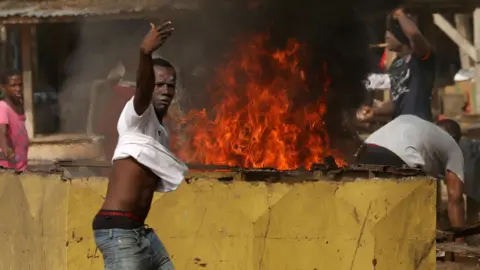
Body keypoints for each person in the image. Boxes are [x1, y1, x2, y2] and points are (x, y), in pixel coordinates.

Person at [92, 21, 188, 269]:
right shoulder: (136, 115)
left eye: (170, 84)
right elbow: (143, 88)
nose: (165, 90)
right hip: (118, 230)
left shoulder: (160, 133)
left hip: (140, 232)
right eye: (159, 84)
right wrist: (144, 53)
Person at [356, 115, 464, 232]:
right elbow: (455, 197)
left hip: (366, 150)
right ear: (455, 138)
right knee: (415, 216)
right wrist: (460, 240)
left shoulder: (417, 123)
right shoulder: (453, 145)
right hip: (399, 158)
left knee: (370, 209)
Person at [357, 8, 435, 122]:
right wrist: (375, 111)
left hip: (419, 125)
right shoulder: (395, 65)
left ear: (402, 35)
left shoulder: (421, 58)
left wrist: (399, 13)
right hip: (401, 127)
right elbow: (397, 101)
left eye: (392, 33)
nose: (387, 36)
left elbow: (414, 35)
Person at [0, 70, 28, 172]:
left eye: (20, 85)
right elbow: (2, 133)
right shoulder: (3, 107)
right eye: (13, 85)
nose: (18, 88)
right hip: (8, 167)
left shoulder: (19, 104)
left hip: (21, 166)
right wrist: (9, 153)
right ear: (3, 87)